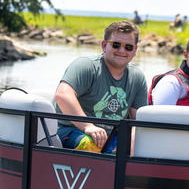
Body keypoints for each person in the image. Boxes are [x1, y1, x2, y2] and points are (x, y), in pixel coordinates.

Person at [53, 21, 148, 152]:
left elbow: (137, 119)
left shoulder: (137, 77)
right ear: (104, 45)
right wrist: (88, 127)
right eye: (116, 45)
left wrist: (132, 145)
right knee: (90, 144)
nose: (122, 50)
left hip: (110, 137)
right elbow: (62, 95)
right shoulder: (86, 66)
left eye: (128, 47)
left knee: (141, 147)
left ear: (135, 50)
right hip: (71, 131)